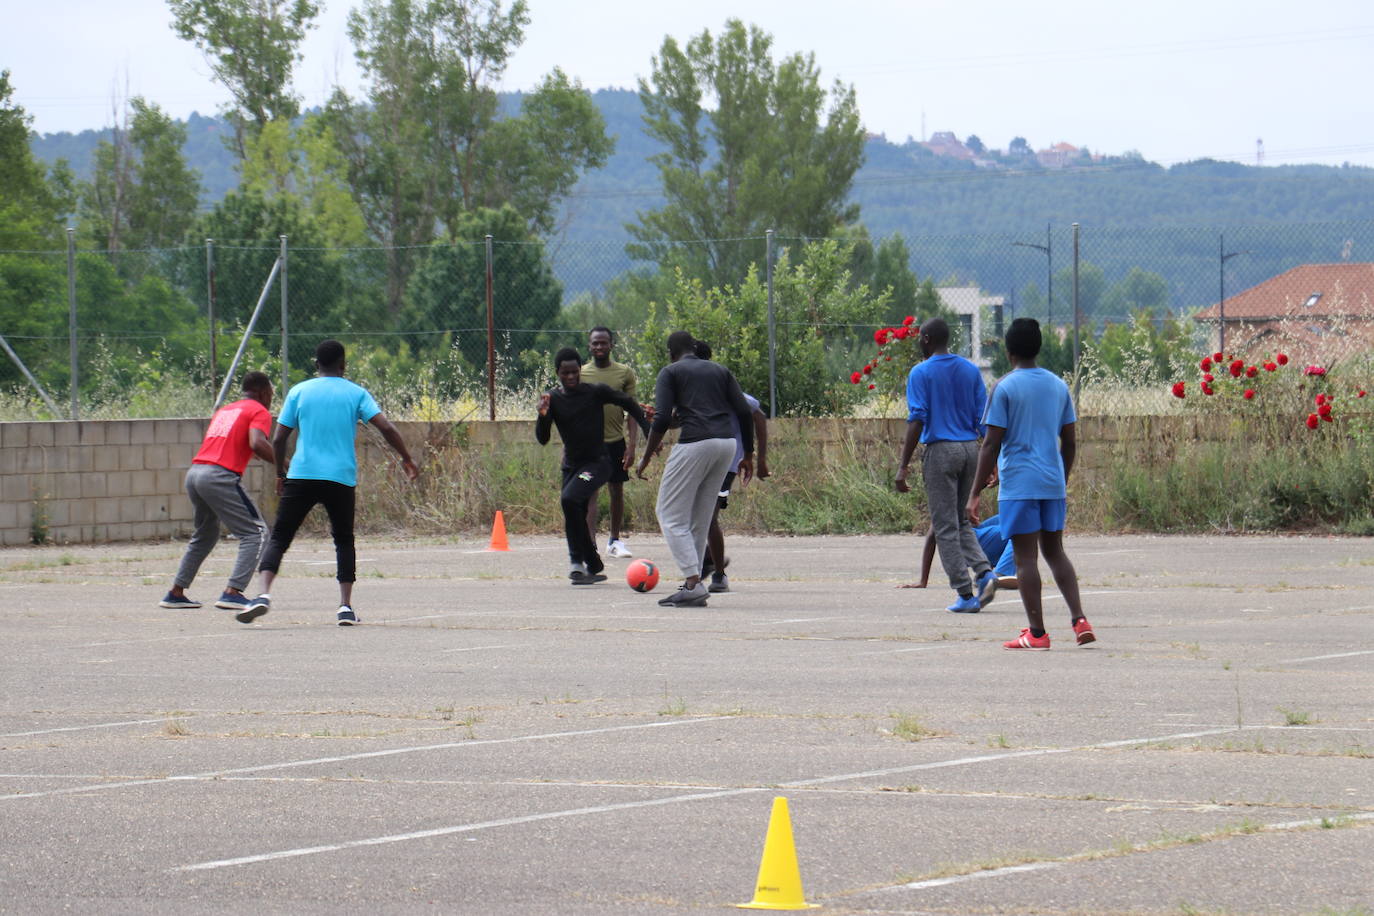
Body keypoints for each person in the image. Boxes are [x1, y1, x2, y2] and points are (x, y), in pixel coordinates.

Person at [236, 340, 419, 627]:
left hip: (302, 474)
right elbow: (386, 427)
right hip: (340, 477)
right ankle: (345, 607)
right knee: (344, 540)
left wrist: (280, 475)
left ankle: (262, 595)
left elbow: (279, 439)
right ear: (343, 364)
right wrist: (406, 458)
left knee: (281, 537)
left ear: (315, 364)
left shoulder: (299, 391)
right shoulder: (356, 393)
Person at [966, 317, 1095, 650]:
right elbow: (1070, 442)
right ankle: (1079, 619)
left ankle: (1036, 633)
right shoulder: (1057, 386)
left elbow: (992, 443)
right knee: (1056, 553)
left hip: (1020, 485)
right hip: (1052, 483)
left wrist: (975, 492)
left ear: (1008, 352)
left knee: (1025, 560)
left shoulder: (1005, 387)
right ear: (1039, 348)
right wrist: (1060, 479)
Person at [636, 331, 755, 608]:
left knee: (668, 513)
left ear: (671, 353)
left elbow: (663, 417)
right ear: (694, 348)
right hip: (726, 445)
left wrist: (647, 455)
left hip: (696, 443)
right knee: (699, 517)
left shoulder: (670, 372)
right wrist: (748, 453)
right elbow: (744, 411)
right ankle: (695, 582)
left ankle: (692, 582)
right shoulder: (719, 370)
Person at [895, 317, 997, 613]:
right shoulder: (969, 369)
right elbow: (983, 419)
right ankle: (985, 572)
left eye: (919, 338)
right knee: (962, 520)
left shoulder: (920, 372)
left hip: (941, 451)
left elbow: (917, 419)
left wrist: (903, 465)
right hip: (971, 449)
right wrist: (989, 462)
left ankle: (965, 594)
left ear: (926, 339)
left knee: (944, 526)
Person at [160, 371, 275, 611]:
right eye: (271, 394)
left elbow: (237, 443)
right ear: (264, 392)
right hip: (219, 476)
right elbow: (257, 443)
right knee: (256, 532)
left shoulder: (227, 410)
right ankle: (233, 592)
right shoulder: (259, 411)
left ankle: (176, 592)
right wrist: (283, 463)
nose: (271, 399)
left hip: (195, 473)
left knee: (206, 534)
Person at [537, 346, 651, 585]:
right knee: (572, 510)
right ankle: (587, 564)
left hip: (596, 465)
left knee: (569, 500)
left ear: (580, 370)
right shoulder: (553, 399)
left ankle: (577, 560)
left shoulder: (595, 392)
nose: (570, 377)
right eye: (565, 373)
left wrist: (646, 428)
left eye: (574, 372)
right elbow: (543, 438)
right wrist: (543, 415)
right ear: (557, 372)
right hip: (571, 466)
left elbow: (628, 402)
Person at [692, 339, 769, 593]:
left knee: (709, 516)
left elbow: (757, 415)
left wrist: (757, 457)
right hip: (699, 459)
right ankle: (709, 560)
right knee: (692, 514)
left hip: (727, 462)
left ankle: (719, 575)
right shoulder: (689, 390)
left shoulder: (723, 388)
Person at [579, 327, 638, 559]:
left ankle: (614, 541)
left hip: (616, 442)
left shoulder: (624, 373)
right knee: (590, 491)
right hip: (589, 444)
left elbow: (633, 410)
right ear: (589, 346)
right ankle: (590, 544)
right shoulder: (581, 373)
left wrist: (632, 445)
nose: (599, 347)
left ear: (611, 345)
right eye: (595, 343)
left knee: (616, 489)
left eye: (604, 343)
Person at [902, 515, 1017, 591]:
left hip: (969, 543)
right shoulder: (948, 492)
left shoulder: (962, 485)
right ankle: (1000, 574)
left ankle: (984, 572)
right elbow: (932, 536)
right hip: (969, 545)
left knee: (1008, 517)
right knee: (1018, 531)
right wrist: (923, 580)